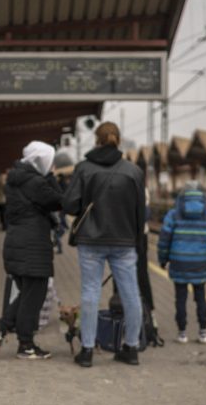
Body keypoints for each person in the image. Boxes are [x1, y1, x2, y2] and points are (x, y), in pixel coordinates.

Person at [62, 121, 146, 368]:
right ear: (118, 140)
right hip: (125, 241)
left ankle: (87, 351)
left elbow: (69, 205)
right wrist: (138, 242)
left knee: (90, 292)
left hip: (91, 240)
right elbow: (141, 212)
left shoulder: (84, 168)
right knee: (131, 294)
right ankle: (131, 348)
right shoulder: (133, 172)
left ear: (96, 141)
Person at [0, 140, 63, 360]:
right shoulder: (36, 183)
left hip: (16, 245)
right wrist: (51, 177)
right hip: (33, 246)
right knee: (34, 298)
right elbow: (60, 201)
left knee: (26, 296)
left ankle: (0, 327)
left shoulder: (16, 181)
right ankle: (26, 345)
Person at [157, 182, 206, 344]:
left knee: (180, 298)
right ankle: (203, 332)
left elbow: (164, 240)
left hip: (179, 261)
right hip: (200, 263)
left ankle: (182, 332)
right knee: (200, 297)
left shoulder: (173, 215)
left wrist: (163, 259)